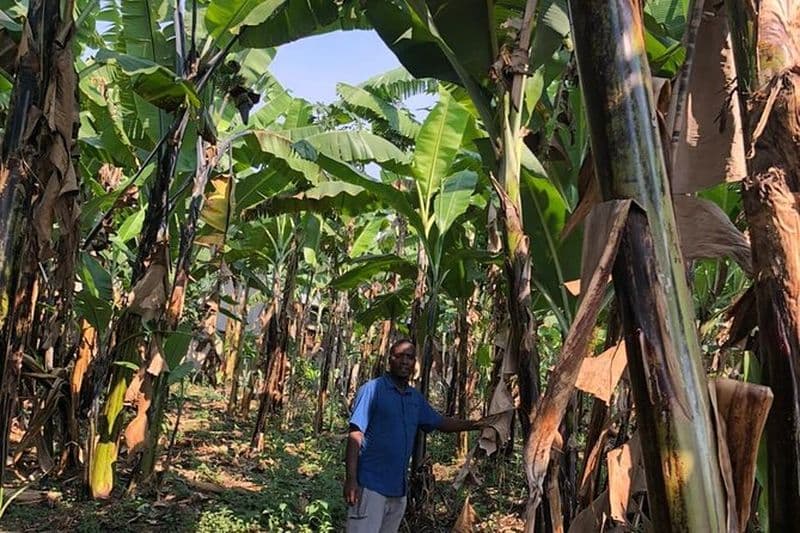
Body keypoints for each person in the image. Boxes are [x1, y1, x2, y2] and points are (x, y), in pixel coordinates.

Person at [343, 338, 497, 533]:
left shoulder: (414, 398)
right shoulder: (373, 390)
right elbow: (355, 434)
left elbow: (441, 423)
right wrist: (351, 479)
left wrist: (477, 424)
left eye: (410, 357)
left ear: (415, 362)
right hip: (370, 486)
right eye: (400, 356)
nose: (405, 361)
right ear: (390, 359)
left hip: (398, 490)